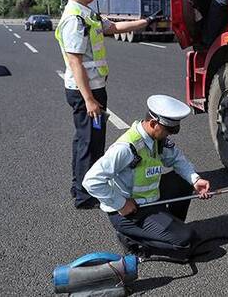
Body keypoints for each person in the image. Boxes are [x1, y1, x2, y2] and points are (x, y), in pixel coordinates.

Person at [55, 0, 163, 209]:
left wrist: (145, 21)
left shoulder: (86, 14)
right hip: (87, 92)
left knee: (86, 141)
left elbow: (113, 28)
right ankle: (84, 196)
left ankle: (80, 186)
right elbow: (75, 63)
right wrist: (90, 100)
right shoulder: (74, 19)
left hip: (93, 89)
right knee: (89, 143)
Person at [83, 95, 211, 260]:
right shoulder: (127, 148)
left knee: (182, 181)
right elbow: (91, 180)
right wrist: (121, 204)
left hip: (150, 200)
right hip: (130, 211)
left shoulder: (157, 139)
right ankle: (133, 241)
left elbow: (177, 159)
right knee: (186, 243)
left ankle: (169, 228)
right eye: (169, 130)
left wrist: (195, 180)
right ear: (153, 124)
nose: (170, 134)